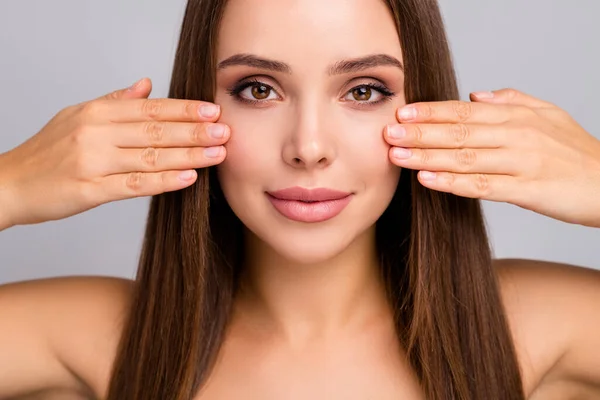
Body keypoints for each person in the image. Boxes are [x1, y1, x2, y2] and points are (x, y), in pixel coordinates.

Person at [1, 0, 599, 398]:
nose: (308, 147)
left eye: (364, 90)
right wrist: (14, 184)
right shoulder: (102, 335)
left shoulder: (527, 325)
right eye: (257, 89)